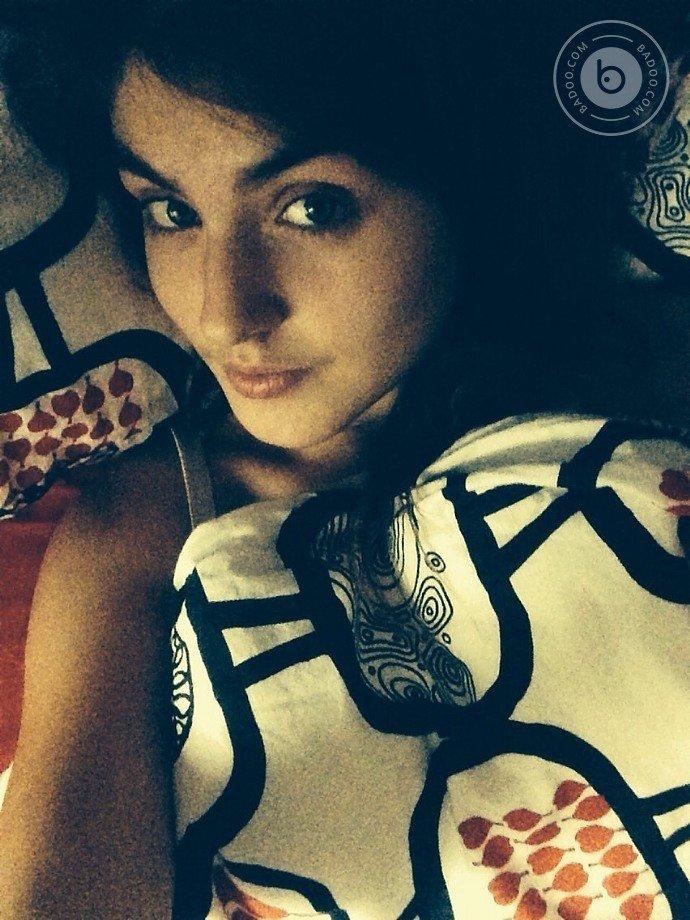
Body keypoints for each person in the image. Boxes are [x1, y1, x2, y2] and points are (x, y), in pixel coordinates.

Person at [0, 2, 688, 918]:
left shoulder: (647, 377)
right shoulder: (146, 522)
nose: (225, 311)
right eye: (171, 211)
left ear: (464, 184)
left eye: (312, 208)